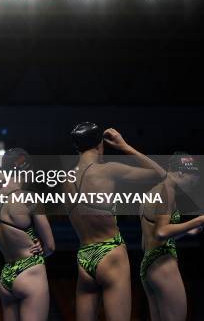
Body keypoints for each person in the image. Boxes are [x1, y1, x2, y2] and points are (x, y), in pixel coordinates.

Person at [66, 122, 165, 321]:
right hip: (111, 254)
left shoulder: (66, 180)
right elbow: (160, 174)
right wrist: (124, 146)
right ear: (99, 144)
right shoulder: (109, 170)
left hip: (84, 257)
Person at [0, 148, 54, 321]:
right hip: (30, 273)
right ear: (27, 169)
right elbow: (50, 246)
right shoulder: (29, 198)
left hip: (6, 276)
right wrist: (41, 246)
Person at [140, 152, 204, 321]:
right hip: (164, 265)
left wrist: (186, 231)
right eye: (193, 180)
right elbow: (162, 232)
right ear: (182, 173)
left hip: (148, 265)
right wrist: (198, 220)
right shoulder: (167, 191)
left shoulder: (153, 192)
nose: (192, 185)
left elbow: (155, 234)